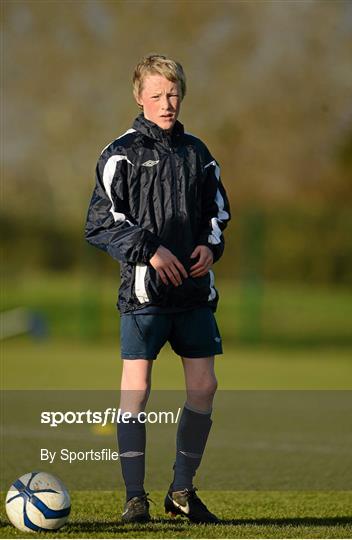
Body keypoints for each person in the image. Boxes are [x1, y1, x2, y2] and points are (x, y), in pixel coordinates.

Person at [85, 54, 230, 524]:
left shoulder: (198, 153)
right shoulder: (119, 153)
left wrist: (211, 247)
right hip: (144, 297)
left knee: (204, 387)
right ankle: (134, 498)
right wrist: (149, 250)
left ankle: (182, 492)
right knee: (137, 390)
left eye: (173, 94)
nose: (166, 103)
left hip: (192, 294)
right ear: (138, 96)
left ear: (181, 95)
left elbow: (218, 213)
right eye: (156, 95)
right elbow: (101, 222)